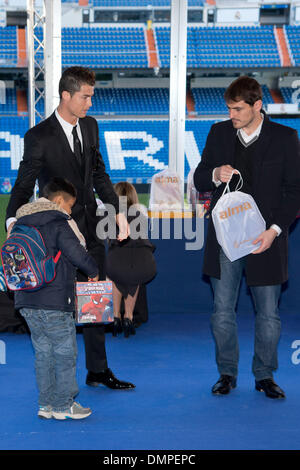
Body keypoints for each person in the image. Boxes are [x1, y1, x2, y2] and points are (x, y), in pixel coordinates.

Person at [6, 66, 134, 391]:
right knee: (59, 310)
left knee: (94, 300)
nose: (90, 103)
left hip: (90, 232)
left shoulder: (91, 127)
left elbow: (100, 174)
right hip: (57, 237)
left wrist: (117, 213)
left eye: (91, 96)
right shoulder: (38, 137)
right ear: (66, 95)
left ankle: (98, 370)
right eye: (85, 96)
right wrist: (12, 223)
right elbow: (23, 186)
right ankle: (59, 386)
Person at [193, 76, 300, 399]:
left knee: (269, 314)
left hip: (266, 239)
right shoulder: (218, 132)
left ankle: (264, 375)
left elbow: (294, 191)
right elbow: (200, 177)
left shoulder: (285, 137)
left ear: (257, 106)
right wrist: (214, 174)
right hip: (226, 240)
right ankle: (227, 373)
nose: (232, 115)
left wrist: (275, 231)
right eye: (229, 108)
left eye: (238, 109)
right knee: (221, 311)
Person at [14, 178, 99, 419]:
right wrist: (93, 271)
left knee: (43, 352)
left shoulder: (21, 223)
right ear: (60, 201)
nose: (71, 211)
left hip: (25, 298)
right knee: (64, 352)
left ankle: (46, 404)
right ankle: (64, 405)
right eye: (71, 205)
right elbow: (77, 254)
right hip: (55, 299)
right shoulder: (58, 223)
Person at [105, 182, 156, 337]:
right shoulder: (140, 214)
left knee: (114, 274)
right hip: (143, 262)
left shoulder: (109, 216)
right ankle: (129, 317)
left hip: (118, 262)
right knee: (133, 276)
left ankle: (115, 317)